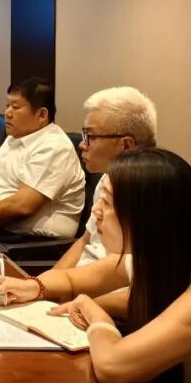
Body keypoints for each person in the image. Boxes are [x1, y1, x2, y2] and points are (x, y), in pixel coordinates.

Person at [0, 149, 191, 383]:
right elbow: (72, 279)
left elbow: (114, 365)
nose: (97, 211)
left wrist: (97, 316)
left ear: (148, 214)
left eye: (108, 202)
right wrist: (32, 286)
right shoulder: (160, 257)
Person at [0, 79, 85, 237]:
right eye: (7, 106)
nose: (7, 113)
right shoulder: (15, 137)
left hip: (31, 242)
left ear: (41, 115)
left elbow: (22, 206)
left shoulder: (53, 147)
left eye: (15, 107)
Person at [53, 86, 157, 270]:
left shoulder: (150, 194)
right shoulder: (107, 179)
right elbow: (85, 241)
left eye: (90, 136)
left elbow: (122, 273)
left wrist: (50, 284)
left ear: (126, 145)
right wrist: (44, 281)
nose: (82, 144)